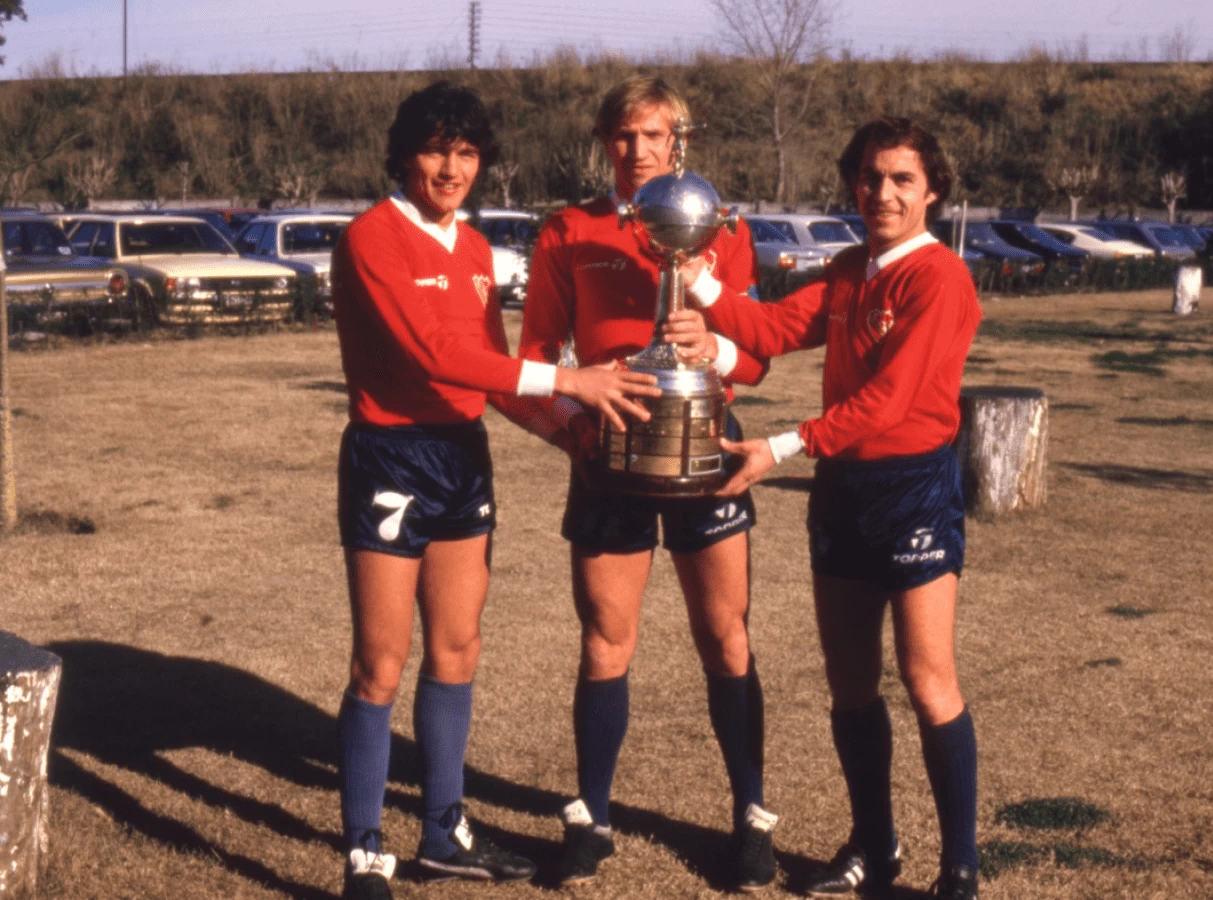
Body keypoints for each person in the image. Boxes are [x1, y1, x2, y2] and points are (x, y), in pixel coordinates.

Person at [330, 81, 661, 900]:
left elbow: (492, 377)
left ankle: (443, 832)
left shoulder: (476, 251)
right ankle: (365, 849)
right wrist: (575, 379)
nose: (452, 168)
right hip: (390, 459)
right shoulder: (373, 237)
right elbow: (435, 356)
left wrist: (569, 432)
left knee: (457, 649)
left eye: (468, 153)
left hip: (460, 458)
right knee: (380, 663)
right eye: (438, 149)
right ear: (406, 154)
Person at [666, 116, 983, 900]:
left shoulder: (939, 277)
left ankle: (961, 868)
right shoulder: (850, 270)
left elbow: (890, 399)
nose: (883, 193)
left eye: (903, 180)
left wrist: (782, 445)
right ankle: (875, 847)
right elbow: (774, 327)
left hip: (911, 487)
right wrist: (701, 281)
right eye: (872, 177)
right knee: (849, 683)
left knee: (926, 676)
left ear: (932, 192)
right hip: (843, 494)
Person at [518, 75, 780, 891]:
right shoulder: (568, 230)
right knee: (605, 638)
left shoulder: (719, 227)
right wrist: (568, 431)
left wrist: (715, 350)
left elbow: (759, 359)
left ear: (680, 143)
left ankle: (751, 820)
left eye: (653, 136)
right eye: (622, 137)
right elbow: (529, 360)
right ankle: (592, 818)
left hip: (706, 447)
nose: (637, 152)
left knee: (724, 636)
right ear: (605, 143)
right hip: (610, 454)